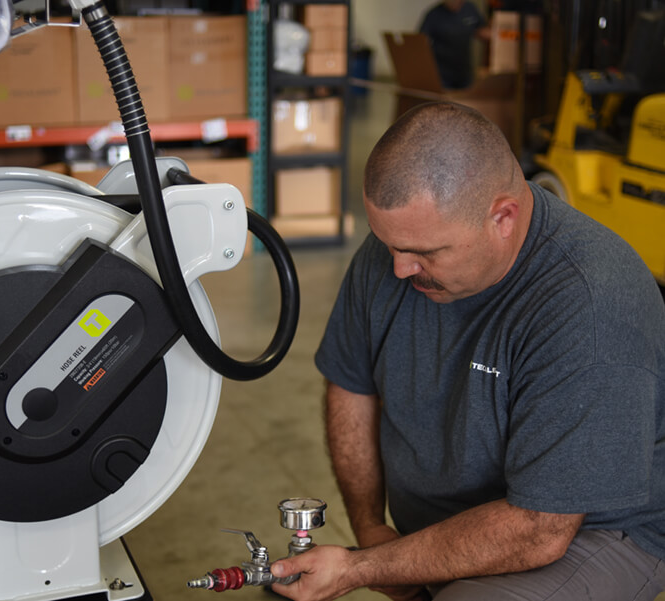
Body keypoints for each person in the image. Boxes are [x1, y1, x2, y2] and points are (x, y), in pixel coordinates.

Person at [269, 102, 665, 601]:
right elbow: (351, 384)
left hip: (595, 530)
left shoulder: (589, 302)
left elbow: (541, 529)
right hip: (459, 524)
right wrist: (370, 529)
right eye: (388, 244)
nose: (399, 269)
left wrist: (359, 568)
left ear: (502, 218)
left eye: (425, 253)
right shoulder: (398, 249)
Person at [419, 0, 490, 89]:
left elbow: (482, 31)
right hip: (442, 75)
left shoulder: (470, 8)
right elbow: (421, 42)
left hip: (464, 72)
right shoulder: (433, 14)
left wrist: (499, 36)